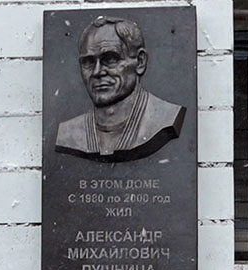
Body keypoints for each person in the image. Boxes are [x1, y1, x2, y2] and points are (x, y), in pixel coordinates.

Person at [55, 16, 186, 162]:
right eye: (88, 62)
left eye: (111, 59)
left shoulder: (166, 118)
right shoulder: (68, 132)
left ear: (140, 62)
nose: (97, 71)